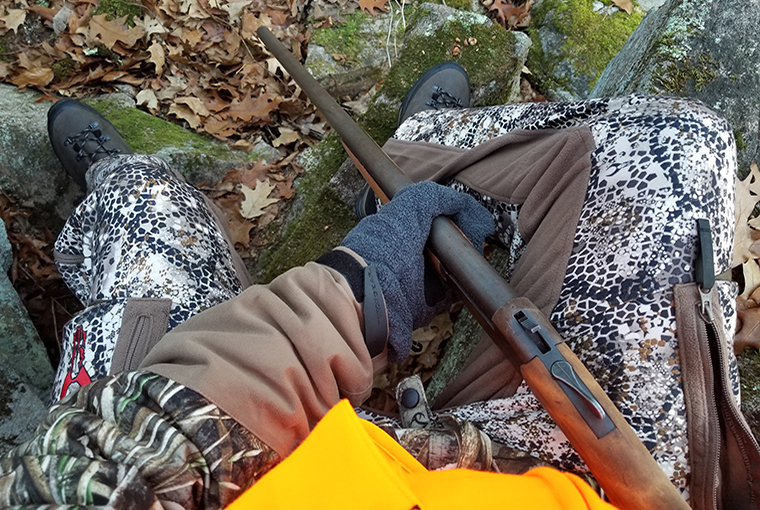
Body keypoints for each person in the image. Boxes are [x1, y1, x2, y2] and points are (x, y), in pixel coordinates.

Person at [0, 61, 757, 509]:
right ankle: (417, 157)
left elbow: (89, 477)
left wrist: (349, 294)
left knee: (149, 222)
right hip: (572, 476)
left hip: (232, 465)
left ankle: (121, 180)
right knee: (682, 148)